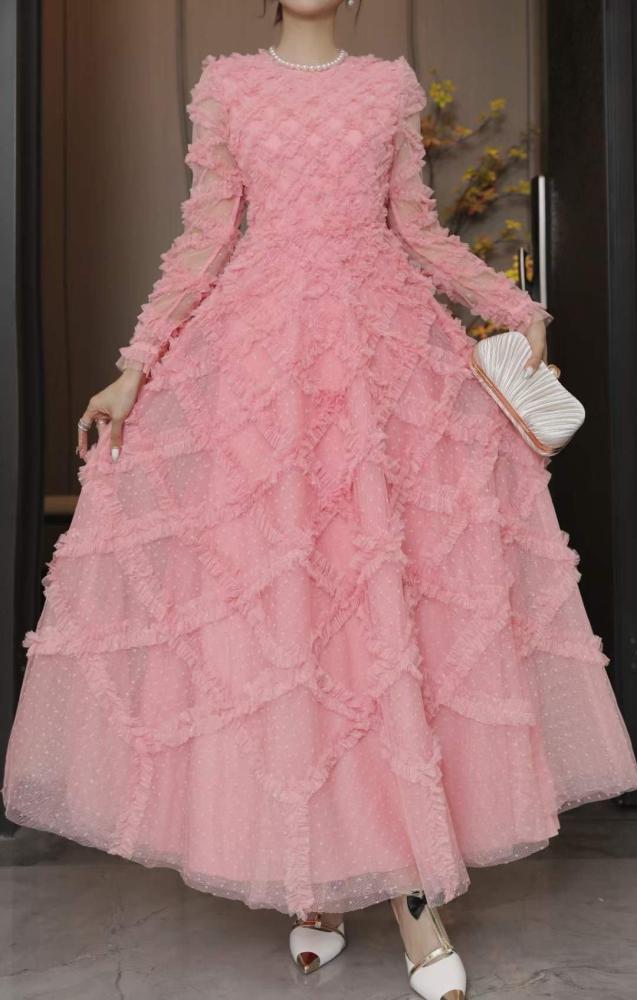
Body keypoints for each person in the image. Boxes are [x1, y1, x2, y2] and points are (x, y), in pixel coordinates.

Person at [4, 2, 637, 997]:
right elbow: (204, 237)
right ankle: (320, 882)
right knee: (292, 624)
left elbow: (415, 228)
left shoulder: (387, 87)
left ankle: (414, 900)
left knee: (386, 616)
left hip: (381, 359)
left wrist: (515, 307)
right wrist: (134, 368)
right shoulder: (228, 85)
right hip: (261, 367)